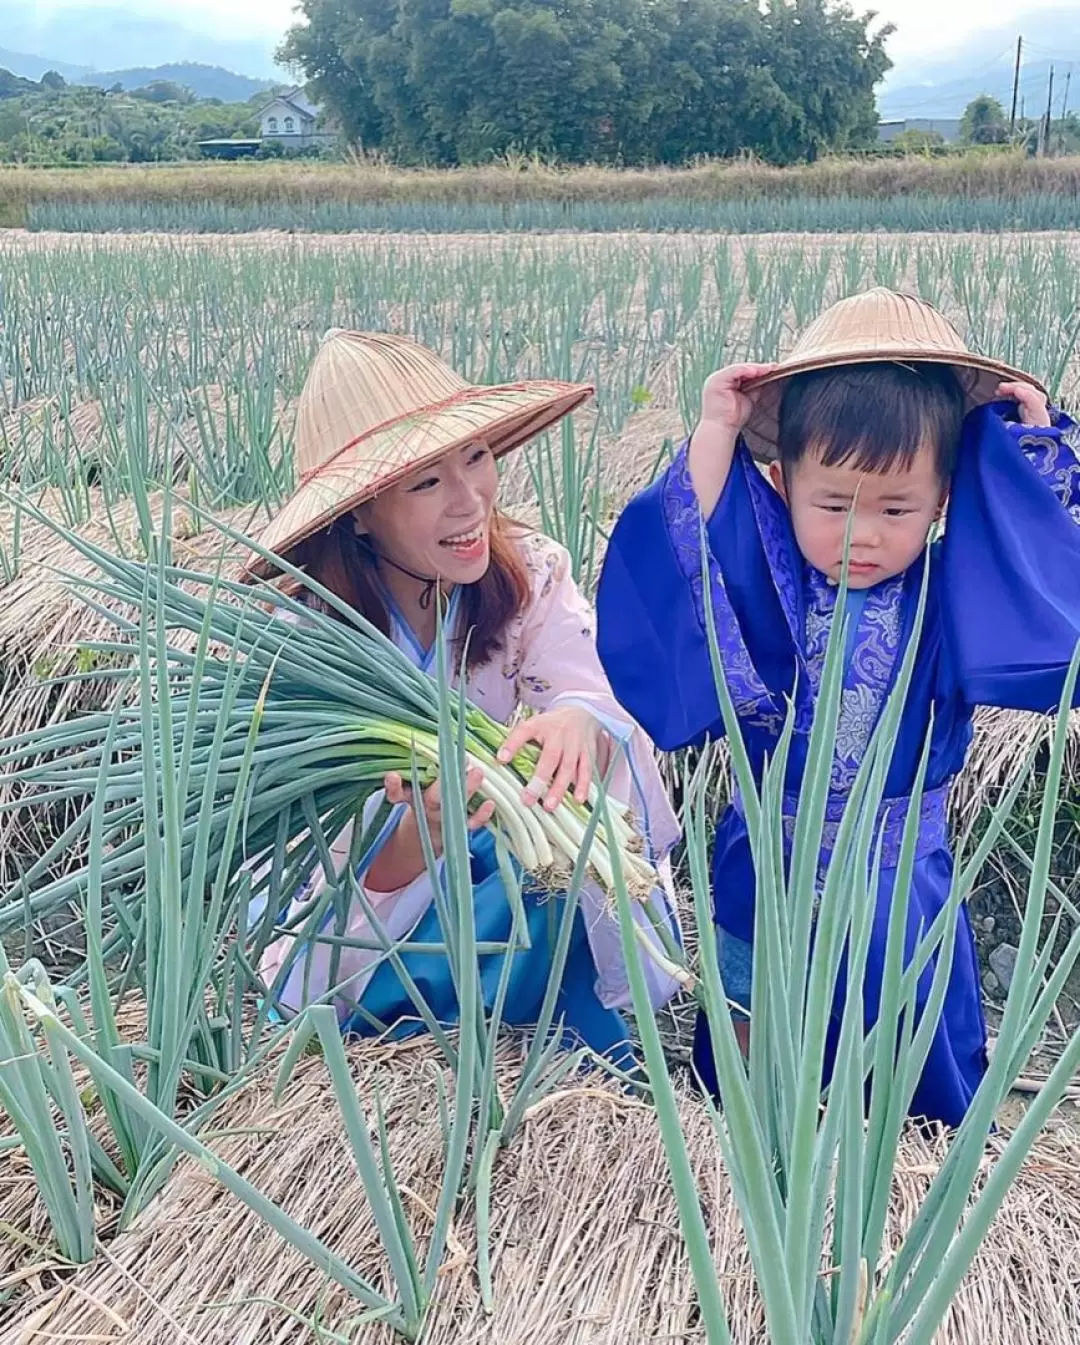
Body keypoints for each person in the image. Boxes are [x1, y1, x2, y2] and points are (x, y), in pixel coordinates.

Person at [595, 287, 1080, 1126]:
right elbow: (674, 557)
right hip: (768, 864)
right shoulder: (769, 584)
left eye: (897, 508)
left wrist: (1025, 450)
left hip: (898, 883)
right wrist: (717, 429)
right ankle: (744, 1141)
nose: (863, 534)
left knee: (905, 1046)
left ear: (943, 501)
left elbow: (1044, 590)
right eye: (832, 505)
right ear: (782, 484)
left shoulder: (946, 601)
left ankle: (907, 1154)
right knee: (751, 1030)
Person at [248, 329, 681, 1065]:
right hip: (377, 905)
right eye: (425, 482)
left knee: (545, 852)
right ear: (358, 514)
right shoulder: (302, 641)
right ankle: (412, 1035)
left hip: (489, 846)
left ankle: (555, 1035)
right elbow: (312, 859)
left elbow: (592, 684)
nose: (469, 499)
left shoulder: (530, 575)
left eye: (476, 456)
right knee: (495, 856)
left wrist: (580, 723)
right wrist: (420, 837)